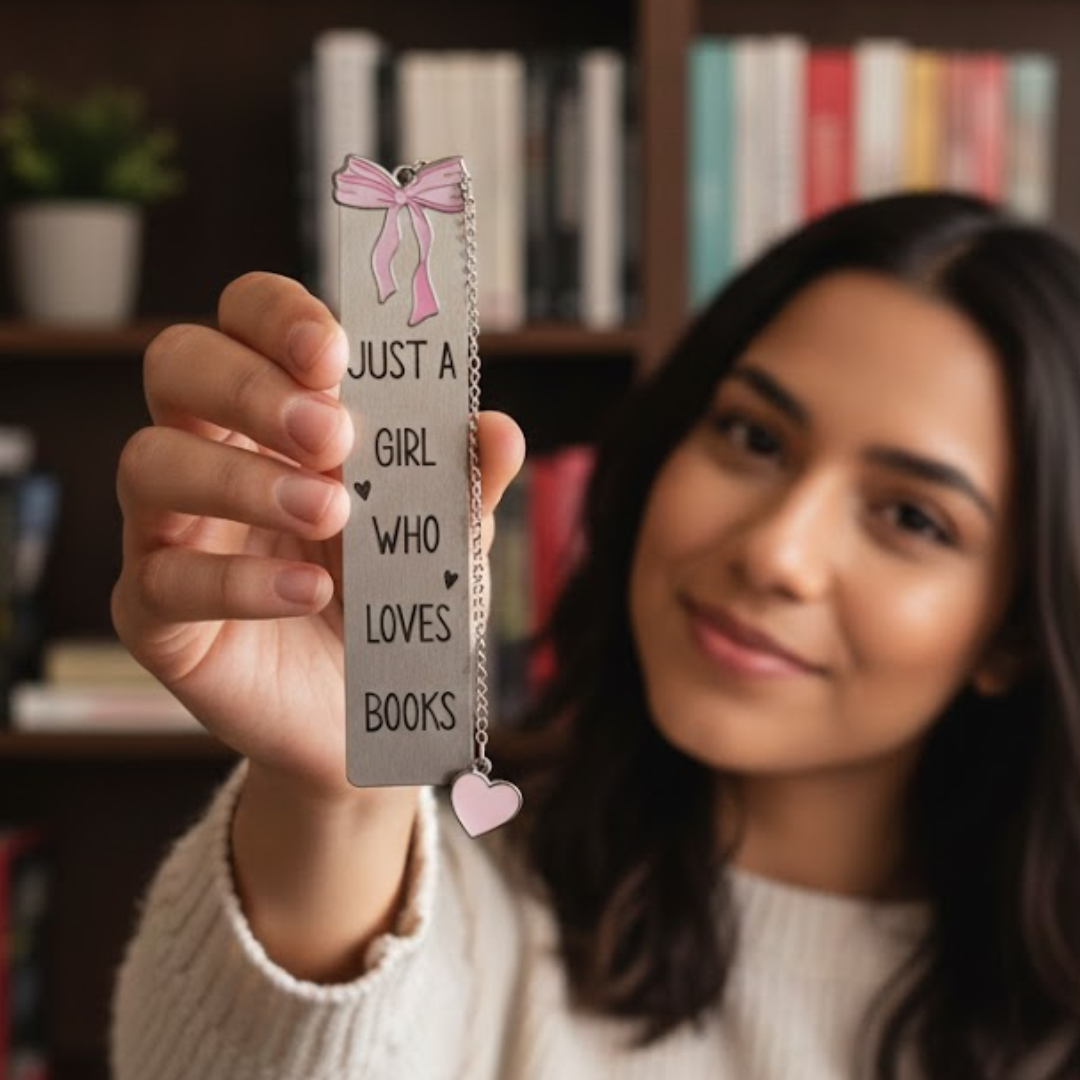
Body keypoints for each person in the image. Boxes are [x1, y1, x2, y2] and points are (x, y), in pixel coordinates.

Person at [110, 192, 1080, 1079]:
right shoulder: (460, 928)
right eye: (754, 438)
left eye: (913, 519)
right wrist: (341, 786)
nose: (777, 553)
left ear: (1015, 635)